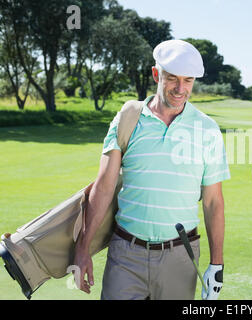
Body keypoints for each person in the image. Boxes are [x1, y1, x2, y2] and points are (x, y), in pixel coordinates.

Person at [73, 39, 230, 300]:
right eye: (172, 79)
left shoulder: (208, 130)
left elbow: (214, 202)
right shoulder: (128, 119)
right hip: (126, 253)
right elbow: (103, 186)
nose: (180, 89)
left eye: (188, 80)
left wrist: (217, 264)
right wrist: (83, 247)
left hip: (181, 257)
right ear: (157, 74)